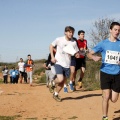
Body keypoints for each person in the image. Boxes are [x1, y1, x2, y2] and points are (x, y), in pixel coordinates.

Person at [87, 22, 120, 120]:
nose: (117, 32)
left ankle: (108, 94)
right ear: (110, 30)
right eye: (115, 29)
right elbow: (89, 54)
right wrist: (93, 57)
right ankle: (105, 116)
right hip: (105, 72)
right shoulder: (103, 43)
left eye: (119, 30)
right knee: (106, 96)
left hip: (117, 73)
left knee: (114, 99)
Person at [50, 26, 79, 102]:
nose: (71, 34)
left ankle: (55, 94)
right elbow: (51, 46)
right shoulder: (59, 39)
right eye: (69, 32)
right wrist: (52, 57)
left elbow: (76, 52)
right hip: (58, 62)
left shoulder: (74, 42)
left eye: (72, 32)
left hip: (67, 64)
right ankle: (52, 82)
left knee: (62, 83)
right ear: (65, 32)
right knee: (60, 79)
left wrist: (77, 55)